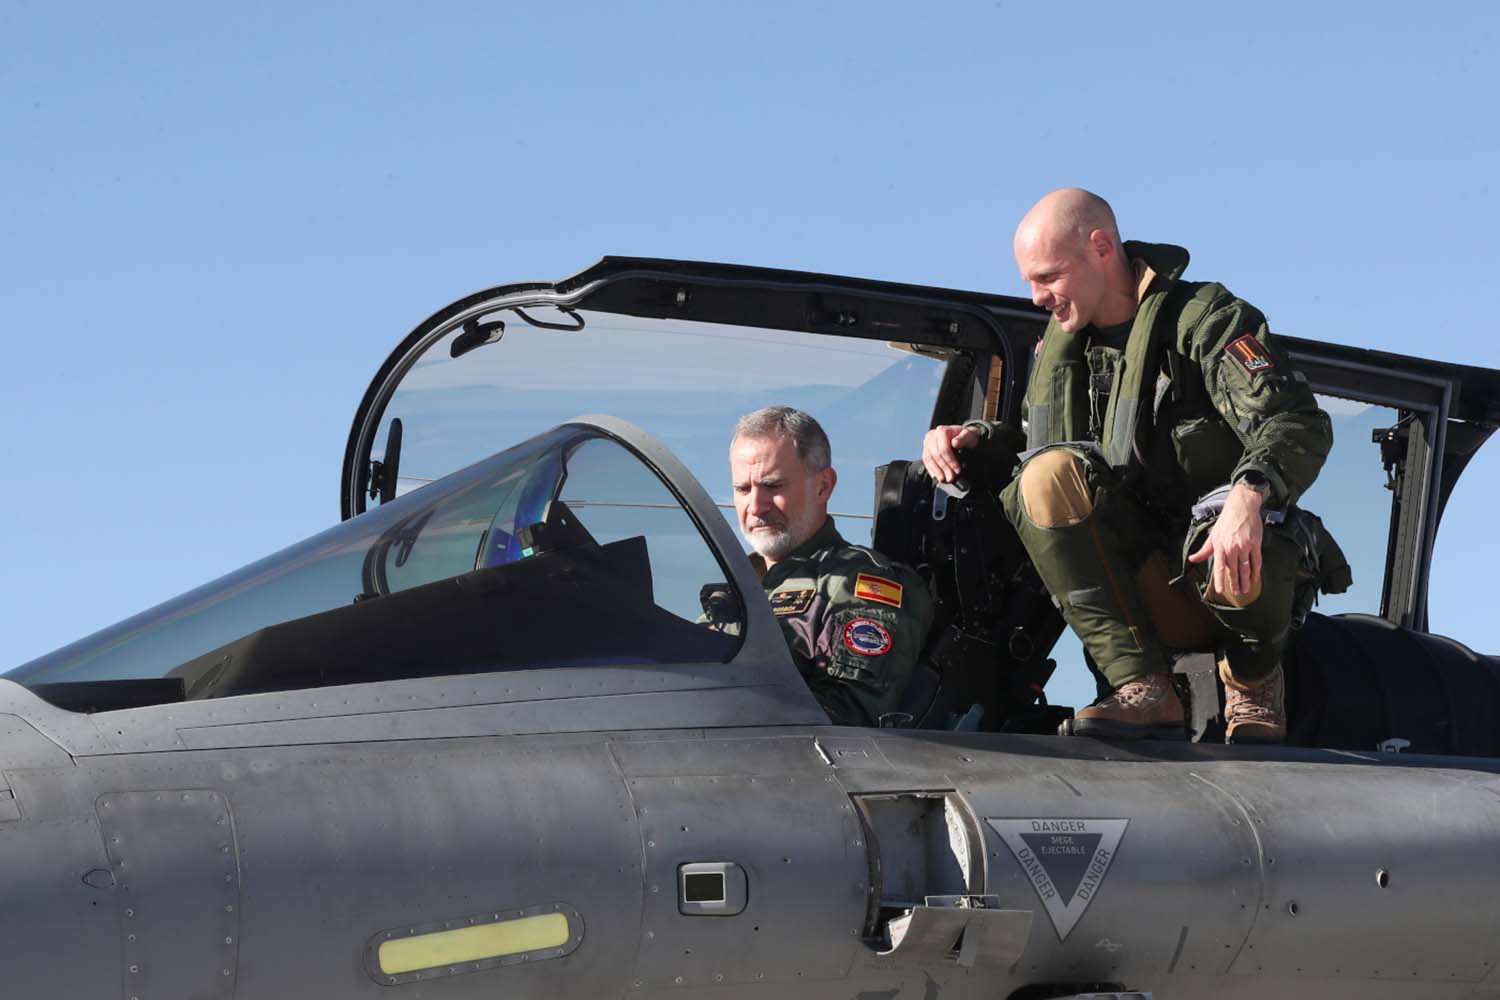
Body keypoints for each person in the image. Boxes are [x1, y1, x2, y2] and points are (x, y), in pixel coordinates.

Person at [922, 188, 1332, 743]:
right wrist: (974, 439)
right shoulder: (1061, 352)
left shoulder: (1204, 322)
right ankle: (1142, 687)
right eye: (1030, 283)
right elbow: (1041, 450)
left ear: (1100, 247)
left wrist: (1249, 495)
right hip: (1139, 577)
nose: (1037, 297)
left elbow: (1294, 420)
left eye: (1047, 277)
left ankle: (1254, 679)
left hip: (1225, 572)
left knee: (1235, 529)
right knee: (1042, 478)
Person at [730, 406, 933, 727]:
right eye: (742, 489)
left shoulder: (858, 582)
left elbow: (853, 716)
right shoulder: (732, 588)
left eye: (773, 486)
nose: (755, 506)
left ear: (823, 486)